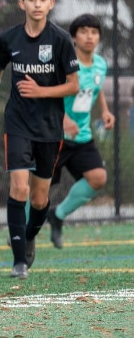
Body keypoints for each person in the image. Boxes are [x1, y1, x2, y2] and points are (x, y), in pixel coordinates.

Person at [0, 0, 79, 279]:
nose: (37, 4)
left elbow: (73, 86)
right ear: (22, 3)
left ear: (51, 4)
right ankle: (19, 260)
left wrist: (42, 92)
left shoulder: (60, 40)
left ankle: (31, 234)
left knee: (39, 199)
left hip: (49, 127)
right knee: (19, 188)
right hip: (17, 122)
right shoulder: (9, 38)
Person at [48, 13, 115, 248]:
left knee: (98, 178)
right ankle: (21, 230)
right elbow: (48, 95)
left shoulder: (100, 64)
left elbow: (96, 89)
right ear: (74, 37)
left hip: (82, 137)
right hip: (54, 135)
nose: (90, 36)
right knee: (39, 186)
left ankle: (57, 215)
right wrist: (64, 118)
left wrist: (105, 112)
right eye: (84, 32)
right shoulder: (65, 62)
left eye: (94, 32)